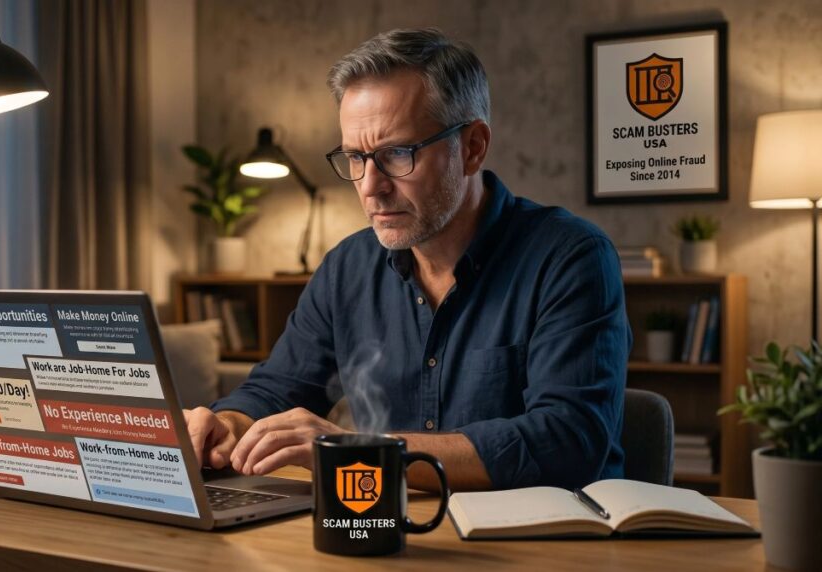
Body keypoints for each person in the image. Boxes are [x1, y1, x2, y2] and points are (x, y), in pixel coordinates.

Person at [184, 27, 632, 492]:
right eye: (355, 157)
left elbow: (566, 443)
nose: (370, 186)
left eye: (396, 154)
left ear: (473, 146)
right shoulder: (347, 267)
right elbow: (275, 390)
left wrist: (363, 453)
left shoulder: (570, 258)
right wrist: (228, 424)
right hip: (387, 532)